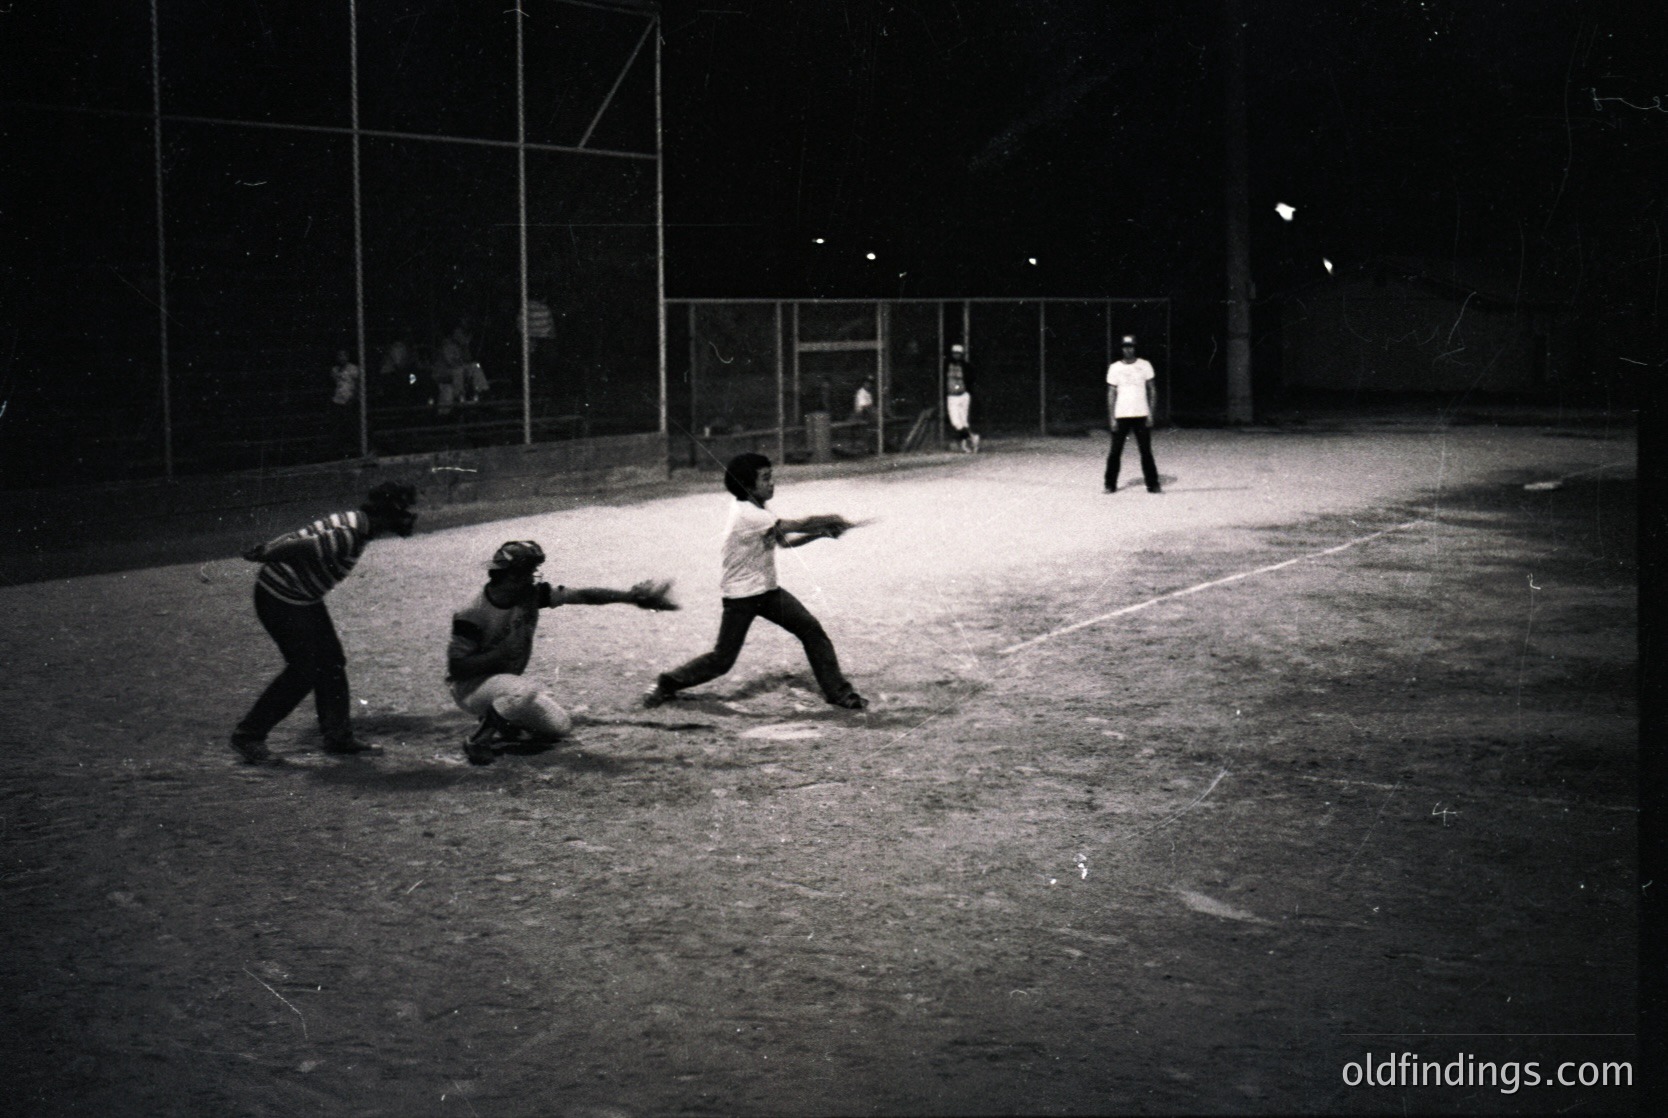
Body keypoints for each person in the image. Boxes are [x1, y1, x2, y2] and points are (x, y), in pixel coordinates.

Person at [643, 453, 867, 711]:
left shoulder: (759, 509)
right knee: (722, 660)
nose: (772, 483)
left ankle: (838, 693)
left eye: (771, 477)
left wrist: (821, 534)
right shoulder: (748, 514)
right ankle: (667, 683)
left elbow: (783, 542)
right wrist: (830, 519)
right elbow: (800, 524)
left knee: (811, 631)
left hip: (768, 593)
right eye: (766, 478)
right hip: (742, 598)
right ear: (748, 486)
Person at [229, 482, 420, 764]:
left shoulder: (357, 523)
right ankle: (249, 736)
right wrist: (266, 554)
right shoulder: (352, 533)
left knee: (331, 662)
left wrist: (269, 548)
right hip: (283, 597)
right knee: (304, 669)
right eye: (400, 512)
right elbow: (303, 545)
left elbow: (296, 538)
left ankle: (337, 736)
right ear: (386, 512)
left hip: (299, 597)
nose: (405, 518)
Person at [446, 540, 678, 765]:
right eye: (528, 572)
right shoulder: (473, 611)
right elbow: (457, 668)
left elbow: (583, 596)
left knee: (560, 727)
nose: (532, 578)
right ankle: (478, 741)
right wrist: (498, 656)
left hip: (500, 685)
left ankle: (502, 720)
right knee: (523, 691)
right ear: (510, 575)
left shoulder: (529, 595)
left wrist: (630, 597)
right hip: (470, 688)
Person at [1104, 334, 1161, 493]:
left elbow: (1153, 390)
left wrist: (1151, 414)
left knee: (1145, 451)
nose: (1128, 350)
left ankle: (1153, 484)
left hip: (1141, 414)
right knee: (1115, 452)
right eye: (1125, 346)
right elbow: (1111, 394)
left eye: (1131, 346)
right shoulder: (1115, 367)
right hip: (1121, 415)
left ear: (1135, 348)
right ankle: (1110, 484)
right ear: (1121, 348)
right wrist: (1111, 418)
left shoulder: (1145, 365)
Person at [945, 343, 980, 453]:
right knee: (956, 422)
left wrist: (968, 391)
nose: (956, 355)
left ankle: (965, 444)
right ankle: (972, 438)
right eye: (954, 353)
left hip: (963, 396)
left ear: (962, 354)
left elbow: (971, 379)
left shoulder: (966, 366)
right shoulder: (946, 364)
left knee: (963, 421)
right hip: (952, 397)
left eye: (958, 353)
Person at [329, 348, 361, 456]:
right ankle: (337, 449)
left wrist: (353, 398)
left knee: (352, 424)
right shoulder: (334, 370)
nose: (341, 358)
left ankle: (356, 446)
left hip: (349, 400)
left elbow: (357, 385)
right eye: (339, 356)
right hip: (337, 401)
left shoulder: (353, 369)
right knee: (338, 425)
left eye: (343, 356)